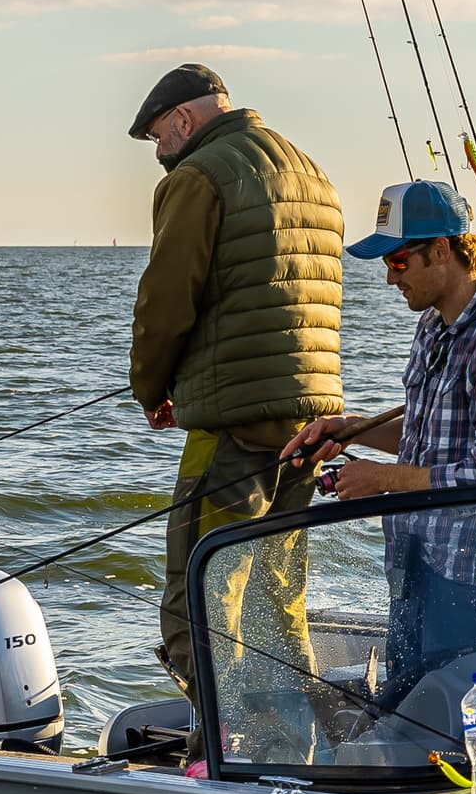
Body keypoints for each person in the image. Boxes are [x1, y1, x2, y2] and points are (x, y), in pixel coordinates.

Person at [280, 178, 476, 708]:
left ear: (442, 251)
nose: (387, 278)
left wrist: (380, 480)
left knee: (461, 750)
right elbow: (428, 442)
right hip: (415, 573)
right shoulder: (432, 325)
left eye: (399, 262)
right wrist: (348, 427)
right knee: (410, 731)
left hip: (474, 589)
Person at [126, 62, 346, 692]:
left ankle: (216, 756)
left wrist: (153, 388)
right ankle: (291, 748)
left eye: (158, 140)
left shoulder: (199, 175)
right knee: (277, 603)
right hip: (311, 418)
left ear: (183, 119)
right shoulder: (310, 170)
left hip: (232, 421)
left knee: (198, 597)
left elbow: (166, 299)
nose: (160, 155)